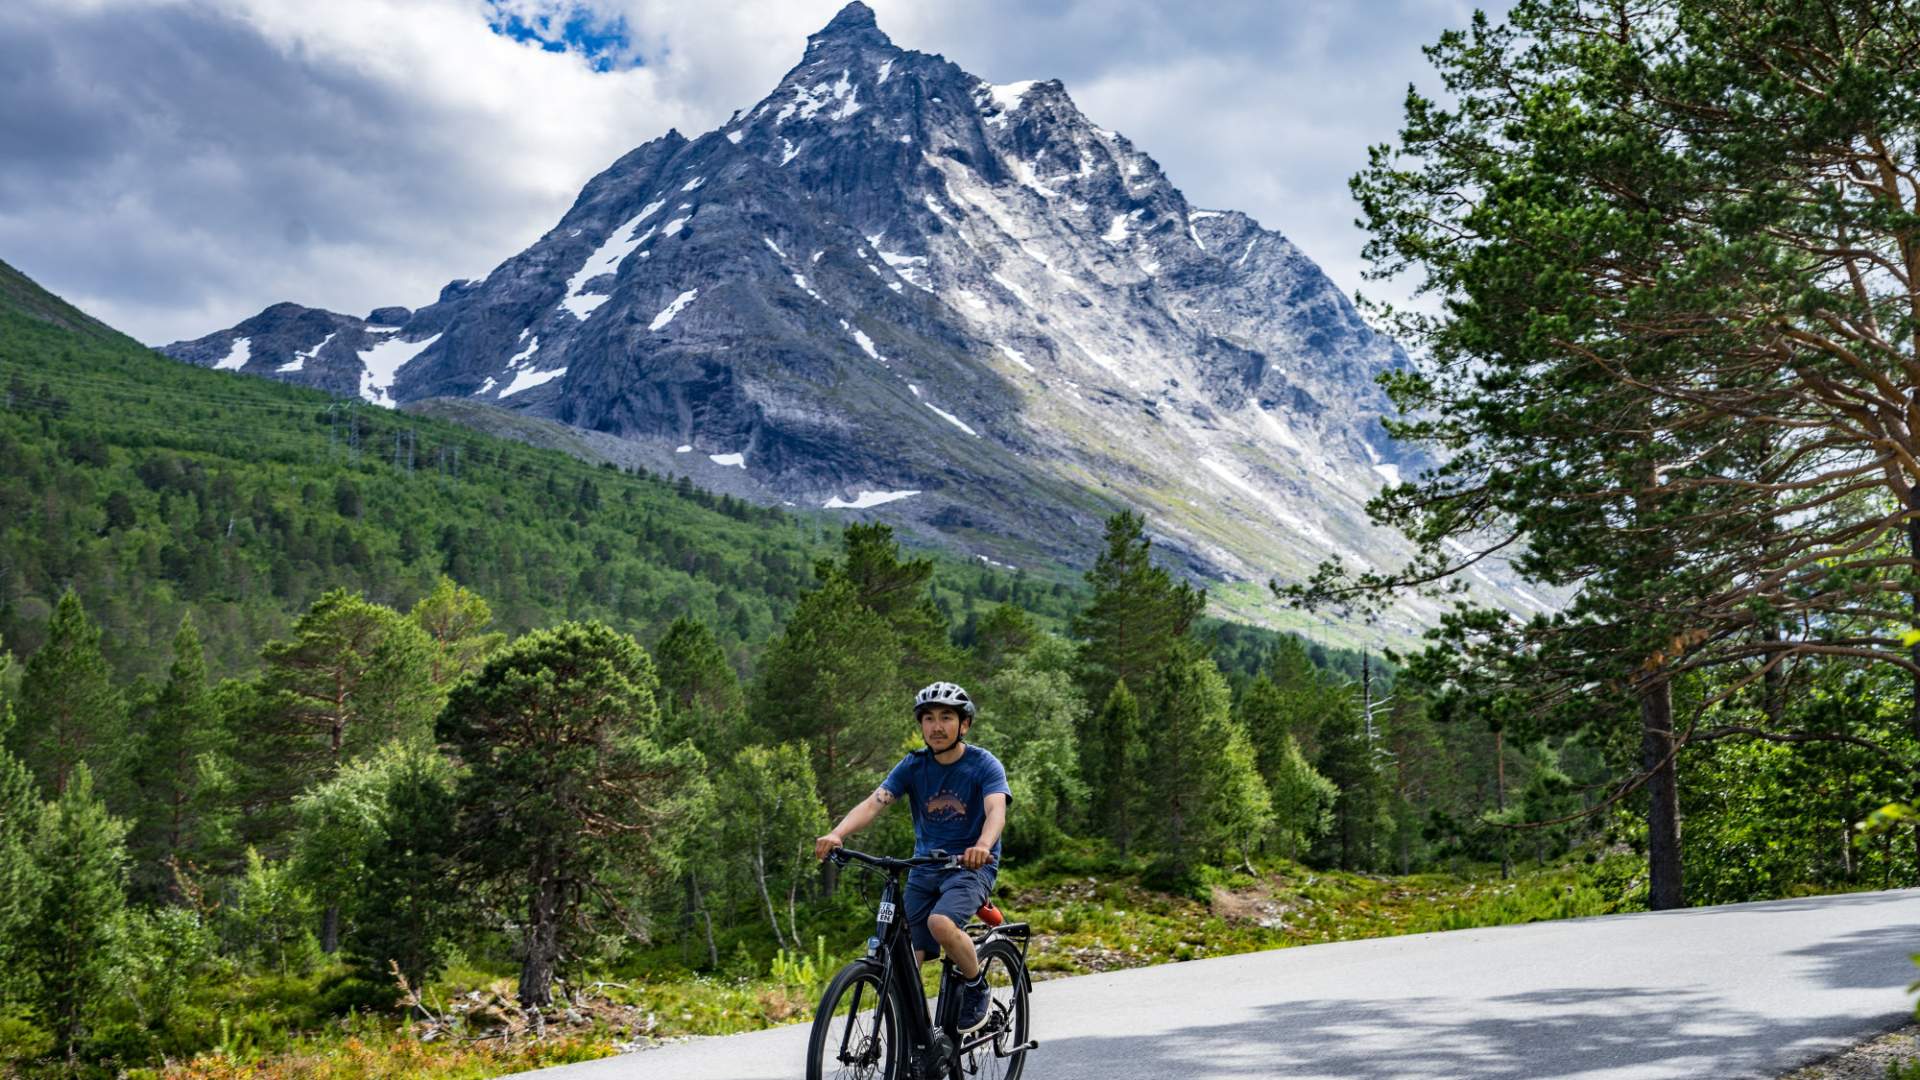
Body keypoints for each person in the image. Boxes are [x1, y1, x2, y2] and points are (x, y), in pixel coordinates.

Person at [815, 680, 1010, 1035]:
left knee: (940, 924)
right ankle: (917, 1043)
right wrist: (837, 833)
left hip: (969, 868)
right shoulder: (913, 766)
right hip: (923, 868)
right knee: (904, 955)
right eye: (929, 718)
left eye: (946, 717)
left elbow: (995, 809)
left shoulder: (984, 765)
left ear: (963, 724)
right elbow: (876, 801)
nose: (936, 726)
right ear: (921, 725)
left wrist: (983, 844)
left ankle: (975, 984)